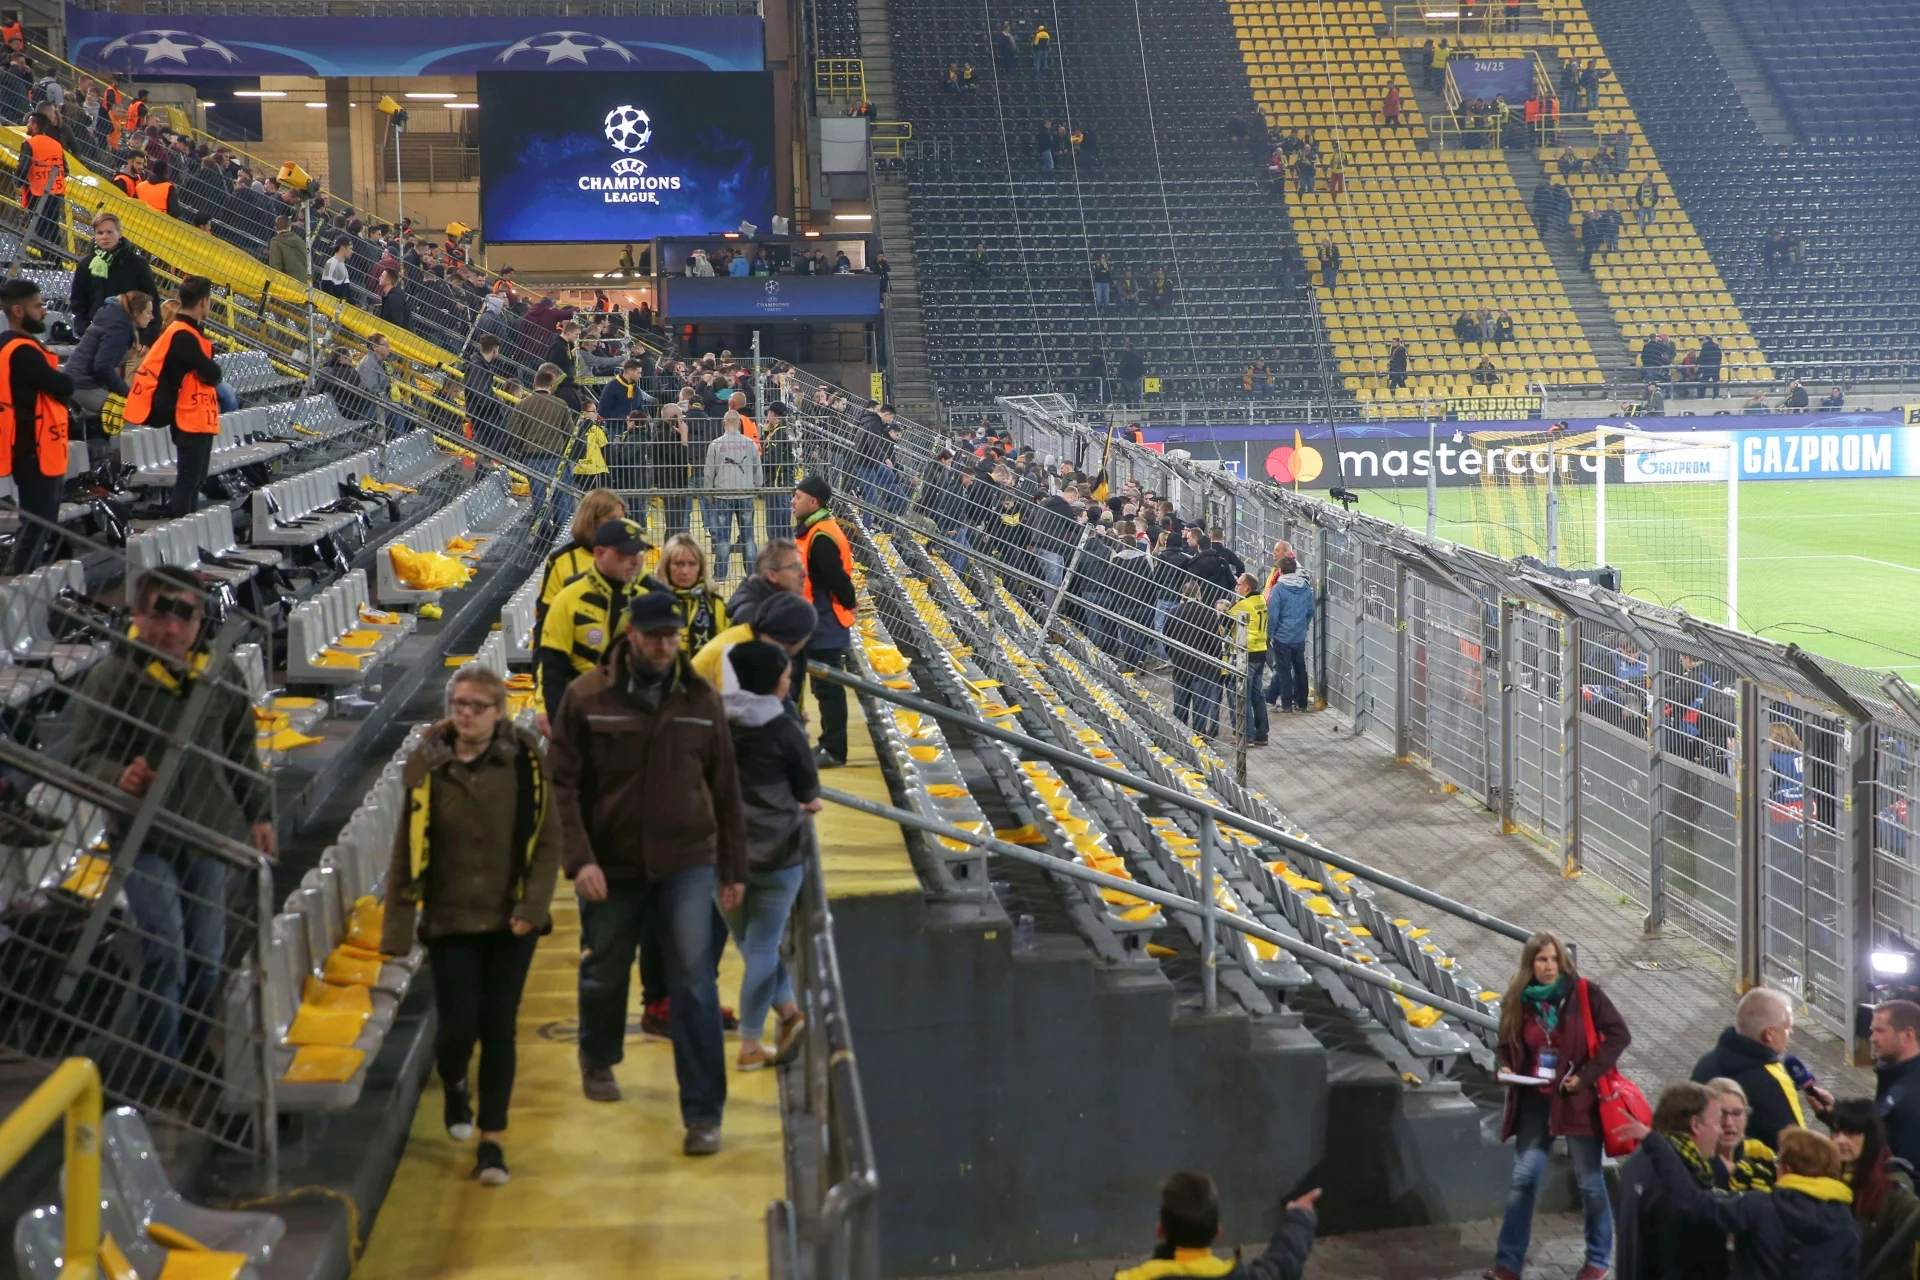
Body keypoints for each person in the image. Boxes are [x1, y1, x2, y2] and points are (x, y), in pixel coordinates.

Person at [548, 590, 746, 1156]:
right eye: (653, 635)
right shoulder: (588, 698)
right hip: (609, 863)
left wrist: (732, 867)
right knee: (606, 967)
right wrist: (579, 858)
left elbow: (726, 788)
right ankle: (599, 1057)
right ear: (630, 634)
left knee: (694, 983)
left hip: (686, 860)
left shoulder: (700, 698)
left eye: (671, 636)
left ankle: (704, 1114)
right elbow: (562, 783)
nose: (662, 645)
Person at [68, 567, 274, 1068]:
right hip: (143, 837)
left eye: (185, 617)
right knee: (165, 954)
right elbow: (81, 758)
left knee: (205, 962)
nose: (172, 630)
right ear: (137, 616)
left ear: (201, 621)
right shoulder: (112, 677)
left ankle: (190, 1055)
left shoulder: (221, 675)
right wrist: (119, 776)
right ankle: (160, 1073)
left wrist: (260, 815)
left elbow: (240, 751)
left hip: (207, 832)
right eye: (159, 615)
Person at [382, 664, 561, 1187]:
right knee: (458, 1028)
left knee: (499, 1028)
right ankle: (455, 1081)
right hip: (450, 918)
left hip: (512, 921)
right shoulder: (427, 765)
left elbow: (549, 840)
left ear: (499, 712)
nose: (465, 714)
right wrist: (396, 930)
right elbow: (404, 847)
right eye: (458, 704)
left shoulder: (526, 759)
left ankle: (492, 1142)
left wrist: (532, 908)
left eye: (476, 706)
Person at [1488, 931, 1625, 1280]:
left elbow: (1619, 1034)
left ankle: (1597, 1260)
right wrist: (1503, 1067)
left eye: (1554, 959)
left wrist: (1587, 1076)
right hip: (1535, 1101)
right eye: (1541, 960)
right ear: (1530, 965)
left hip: (1577, 1100)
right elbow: (1506, 1045)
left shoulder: (1585, 993)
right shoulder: (1519, 1000)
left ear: (1563, 961)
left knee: (1590, 1184)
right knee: (1523, 1180)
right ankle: (1507, 1264)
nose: (1549, 967)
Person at [720, 640, 818, 1071]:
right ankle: (749, 1046)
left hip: (720, 854)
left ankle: (790, 1013)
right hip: (776, 855)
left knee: (749, 943)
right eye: (785, 674)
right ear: (773, 680)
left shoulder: (712, 722)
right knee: (762, 946)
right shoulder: (783, 728)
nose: (789, 679)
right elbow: (808, 792)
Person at [1636, 1125, 1858, 1279]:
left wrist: (1655, 1142)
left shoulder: (1760, 1207)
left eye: (1777, 1160)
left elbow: (1694, 1202)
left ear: (1787, 1169)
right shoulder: (1848, 1224)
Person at [124, 275, 223, 519]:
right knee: (190, 479)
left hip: (196, 416)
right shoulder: (183, 335)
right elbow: (212, 372)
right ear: (203, 302)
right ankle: (182, 528)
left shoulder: (187, 332)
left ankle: (186, 528)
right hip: (188, 417)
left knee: (195, 478)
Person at [1613, 1081, 1734, 1280]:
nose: (1721, 1131)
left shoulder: (1635, 1164)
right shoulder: (1679, 1182)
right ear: (1696, 1125)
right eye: (1716, 1123)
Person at [537, 515, 650, 726]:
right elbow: (553, 669)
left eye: (639, 552)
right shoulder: (568, 599)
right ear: (599, 553)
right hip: (582, 716)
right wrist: (557, 722)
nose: (635, 561)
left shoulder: (646, 600)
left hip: (635, 718)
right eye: (625, 553)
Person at [1691, 986, 1834, 1149]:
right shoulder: (1772, 1081)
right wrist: (1833, 1121)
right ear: (1768, 1034)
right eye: (1787, 1028)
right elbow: (1800, 1149)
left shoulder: (1705, 1063)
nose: (1791, 1033)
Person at [1113, 1170, 1319, 1280]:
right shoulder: (1240, 1276)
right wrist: (1300, 1216)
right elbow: (1282, 1266)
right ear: (1217, 1232)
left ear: (1160, 1230)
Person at [1, 277, 73, 573]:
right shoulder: (22, 351)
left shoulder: (13, 345)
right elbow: (62, 385)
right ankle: (21, 582)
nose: (44, 311)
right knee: (37, 523)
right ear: (18, 311)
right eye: (38, 306)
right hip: (33, 448)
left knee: (40, 522)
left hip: (36, 445)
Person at [792, 476, 857, 767]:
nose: (793, 501)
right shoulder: (815, 530)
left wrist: (848, 605)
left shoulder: (821, 536)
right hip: (817, 619)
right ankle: (827, 743)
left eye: (798, 496)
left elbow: (839, 580)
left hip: (826, 621)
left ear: (813, 502)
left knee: (829, 688)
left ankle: (835, 750)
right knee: (822, 687)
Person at [1830, 1097, 1920, 1277]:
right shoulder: (1825, 1176)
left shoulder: (1893, 1192)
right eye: (1836, 1132)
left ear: (1869, 1138)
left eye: (1851, 1133)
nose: (1840, 1140)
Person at [533, 490, 627, 648]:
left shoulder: (630, 559)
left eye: (621, 519)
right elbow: (546, 615)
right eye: (611, 519)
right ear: (592, 521)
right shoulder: (562, 560)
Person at [503, 363, 577, 529]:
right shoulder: (561, 404)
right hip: (555, 456)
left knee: (539, 496)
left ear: (534, 384)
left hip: (531, 456)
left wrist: (522, 447)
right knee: (560, 495)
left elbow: (514, 432)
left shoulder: (523, 404)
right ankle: (560, 529)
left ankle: (542, 530)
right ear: (551, 385)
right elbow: (569, 432)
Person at [69, 212, 161, 339]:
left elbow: (152, 301)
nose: (104, 237)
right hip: (96, 334)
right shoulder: (86, 264)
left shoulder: (137, 263)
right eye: (100, 233)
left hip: (132, 335)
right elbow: (78, 302)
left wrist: (147, 338)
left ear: (119, 234)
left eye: (109, 232)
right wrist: (84, 331)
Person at [65, 288, 151, 421]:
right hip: (83, 384)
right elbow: (102, 366)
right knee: (133, 413)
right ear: (136, 313)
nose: (152, 317)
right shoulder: (119, 329)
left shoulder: (114, 318)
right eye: (148, 313)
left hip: (77, 379)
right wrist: (127, 393)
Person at [704, 409, 762, 581]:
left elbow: (709, 473)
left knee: (723, 538)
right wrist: (756, 489)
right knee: (748, 537)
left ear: (724, 423)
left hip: (723, 495)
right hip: (745, 494)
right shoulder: (750, 444)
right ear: (740, 424)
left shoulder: (715, 445)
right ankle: (752, 574)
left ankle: (720, 575)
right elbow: (758, 470)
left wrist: (710, 495)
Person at [1166, 580, 1224, 737]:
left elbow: (1166, 640)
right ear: (1199, 594)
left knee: (1180, 706)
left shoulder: (1173, 612)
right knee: (1200, 707)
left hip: (1181, 666)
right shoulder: (1206, 612)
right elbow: (1214, 642)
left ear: (1182, 594)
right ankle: (1199, 737)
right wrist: (1215, 660)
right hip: (1203, 668)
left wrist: (1174, 656)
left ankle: (1179, 737)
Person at [1871, 1000, 1920, 1169]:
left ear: (1908, 1035)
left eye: (1880, 1031)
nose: (1872, 1039)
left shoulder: (1911, 1096)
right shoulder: (1893, 1074)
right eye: (1872, 1031)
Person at [1265, 555, 1313, 711]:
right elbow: (1310, 611)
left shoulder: (1278, 589)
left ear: (1280, 571)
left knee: (1283, 670)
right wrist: (1304, 626)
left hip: (1282, 636)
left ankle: (1286, 705)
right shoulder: (1305, 586)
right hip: (1299, 634)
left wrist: (1270, 633)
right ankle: (1302, 702)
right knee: (1300, 668)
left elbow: (1273, 614)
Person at [1228, 574, 1269, 747]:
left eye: (1238, 585)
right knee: (1257, 695)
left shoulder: (1242, 605)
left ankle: (1247, 736)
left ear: (1246, 588)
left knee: (1242, 695)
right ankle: (1262, 734)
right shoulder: (1260, 600)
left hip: (1247, 652)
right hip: (1261, 650)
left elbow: (1226, 621)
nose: (1236, 587)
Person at [15, 112, 64, 250]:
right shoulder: (56, 145)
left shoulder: (29, 143)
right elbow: (65, 169)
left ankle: (48, 259)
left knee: (40, 227)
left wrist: (18, 182)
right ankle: (56, 262)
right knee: (53, 226)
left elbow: (23, 167)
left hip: (37, 191)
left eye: (29, 123)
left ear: (35, 126)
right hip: (56, 191)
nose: (27, 125)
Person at [265, 215, 307, 281]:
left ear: (275, 227)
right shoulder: (299, 240)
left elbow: (275, 266)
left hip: (288, 284)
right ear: (290, 226)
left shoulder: (275, 242)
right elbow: (309, 260)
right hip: (305, 283)